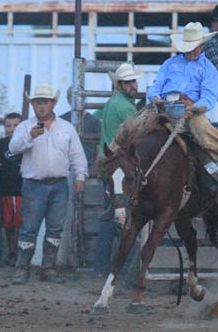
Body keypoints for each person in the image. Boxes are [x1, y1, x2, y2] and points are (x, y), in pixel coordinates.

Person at [147, 22, 218, 235]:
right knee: (137, 131)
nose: (192, 50)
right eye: (188, 46)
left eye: (195, 46)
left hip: (192, 112)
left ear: (201, 45)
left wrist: (195, 106)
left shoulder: (208, 68)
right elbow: (155, 87)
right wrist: (155, 98)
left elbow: (209, 97)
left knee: (207, 142)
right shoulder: (170, 63)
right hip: (164, 108)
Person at [9, 83, 88, 284]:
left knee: (54, 228)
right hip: (34, 184)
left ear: (52, 104)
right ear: (33, 105)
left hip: (59, 184)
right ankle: (22, 268)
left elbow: (77, 154)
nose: (41, 106)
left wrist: (80, 175)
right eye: (37, 103)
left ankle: (47, 268)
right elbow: (13, 148)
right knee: (29, 228)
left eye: (44, 102)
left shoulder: (66, 127)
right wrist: (30, 136)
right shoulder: (25, 126)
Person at [94, 63, 143, 279]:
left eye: (134, 81)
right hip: (120, 169)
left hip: (110, 166)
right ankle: (123, 272)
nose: (133, 85)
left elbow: (96, 117)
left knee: (110, 217)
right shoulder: (126, 108)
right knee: (125, 218)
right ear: (119, 84)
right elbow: (138, 137)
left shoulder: (111, 103)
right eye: (129, 82)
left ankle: (100, 268)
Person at [0, 112, 23, 267]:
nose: (12, 129)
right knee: (8, 225)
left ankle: (24, 254)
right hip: (5, 190)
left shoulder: (26, 143)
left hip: (23, 191)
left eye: (15, 125)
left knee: (22, 225)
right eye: (8, 125)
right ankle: (12, 252)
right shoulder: (1, 143)